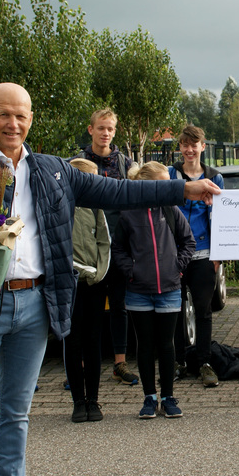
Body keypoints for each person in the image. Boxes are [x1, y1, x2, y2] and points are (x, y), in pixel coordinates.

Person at [0, 83, 219, 476]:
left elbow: (120, 192)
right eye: (3, 114)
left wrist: (181, 190)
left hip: (34, 305)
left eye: (21, 115)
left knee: (15, 416)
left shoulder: (54, 171)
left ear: (30, 120)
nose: (13, 123)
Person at [112, 161, 195, 418]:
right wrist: (132, 271)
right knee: (145, 346)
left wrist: (176, 268)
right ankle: (150, 397)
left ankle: (168, 397)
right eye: (162, 183)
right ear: (147, 184)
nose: (167, 187)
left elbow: (188, 242)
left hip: (169, 289)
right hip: (138, 291)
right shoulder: (128, 213)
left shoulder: (170, 209)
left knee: (167, 345)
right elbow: (118, 249)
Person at [73, 108, 139, 386]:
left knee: (119, 307)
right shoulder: (75, 162)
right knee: (91, 309)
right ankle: (86, 367)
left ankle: (119, 364)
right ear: (91, 130)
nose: (106, 133)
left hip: (118, 244)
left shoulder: (125, 163)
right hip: (88, 249)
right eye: (101, 128)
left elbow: (139, 189)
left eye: (110, 128)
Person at [168, 125, 225, 387]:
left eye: (195, 144)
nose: (190, 150)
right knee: (175, 310)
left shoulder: (216, 177)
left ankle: (204, 363)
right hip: (174, 255)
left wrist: (219, 254)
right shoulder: (170, 175)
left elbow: (221, 218)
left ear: (203, 146)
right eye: (185, 144)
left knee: (203, 311)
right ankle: (178, 362)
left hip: (203, 254)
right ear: (180, 147)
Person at [64, 158, 110, 422]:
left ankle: (93, 399)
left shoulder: (96, 208)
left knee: (93, 341)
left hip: (94, 284)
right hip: (70, 286)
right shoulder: (62, 207)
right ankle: (77, 401)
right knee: (73, 342)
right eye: (90, 178)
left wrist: (99, 273)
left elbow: (104, 242)